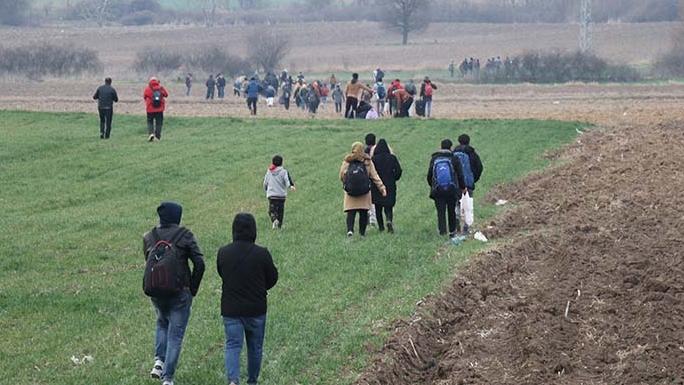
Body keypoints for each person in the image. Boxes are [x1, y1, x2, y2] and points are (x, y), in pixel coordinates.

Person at [143, 201, 205, 385]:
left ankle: (158, 362)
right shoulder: (185, 235)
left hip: (156, 291)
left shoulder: (149, 236)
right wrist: (192, 288)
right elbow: (200, 263)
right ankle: (168, 378)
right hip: (180, 292)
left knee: (162, 323)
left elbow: (149, 261)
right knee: (175, 335)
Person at [217, 213, 278, 385]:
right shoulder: (262, 253)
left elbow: (221, 273)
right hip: (256, 308)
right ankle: (252, 381)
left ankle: (233, 380)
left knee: (232, 346)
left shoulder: (223, 253)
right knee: (255, 348)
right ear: (253, 230)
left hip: (231, 309)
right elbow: (272, 278)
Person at [339, 142, 386, 237]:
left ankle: (350, 230)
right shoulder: (367, 161)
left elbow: (341, 175)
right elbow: (374, 176)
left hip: (350, 191)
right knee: (363, 212)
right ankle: (362, 233)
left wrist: (346, 183)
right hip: (364, 191)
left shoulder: (347, 160)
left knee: (350, 212)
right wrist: (382, 188)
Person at [427, 139, 466, 237]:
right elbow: (460, 174)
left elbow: (429, 175)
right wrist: (463, 187)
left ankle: (442, 231)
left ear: (441, 147)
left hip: (438, 189)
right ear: (450, 147)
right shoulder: (454, 158)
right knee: (451, 210)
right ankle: (452, 232)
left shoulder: (434, 158)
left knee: (441, 211)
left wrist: (432, 186)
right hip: (452, 189)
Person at [453, 134, 484, 234]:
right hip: (468, 183)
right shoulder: (472, 154)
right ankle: (466, 228)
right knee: (468, 205)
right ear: (468, 141)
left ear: (458, 141)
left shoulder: (453, 154)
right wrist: (473, 179)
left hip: (456, 183)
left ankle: (456, 226)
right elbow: (479, 167)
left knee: (457, 204)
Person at [371, 139, 402, 233]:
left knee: (378, 207)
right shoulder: (392, 158)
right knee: (388, 205)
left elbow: (370, 173)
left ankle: (381, 227)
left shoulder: (374, 159)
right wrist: (394, 178)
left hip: (377, 185)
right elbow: (399, 171)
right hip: (390, 184)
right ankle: (389, 219)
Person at [263, 155, 296, 229]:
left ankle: (274, 220)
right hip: (281, 196)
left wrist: (265, 189)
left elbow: (265, 182)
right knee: (280, 211)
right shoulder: (284, 172)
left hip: (272, 195)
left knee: (271, 210)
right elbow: (287, 180)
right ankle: (279, 225)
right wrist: (291, 186)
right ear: (282, 163)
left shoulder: (269, 171)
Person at [143, 77, 169, 142]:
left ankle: (151, 134)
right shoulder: (160, 88)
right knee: (159, 123)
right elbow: (166, 95)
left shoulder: (147, 88)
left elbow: (144, 96)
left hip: (150, 109)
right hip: (160, 109)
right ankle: (157, 137)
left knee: (150, 122)